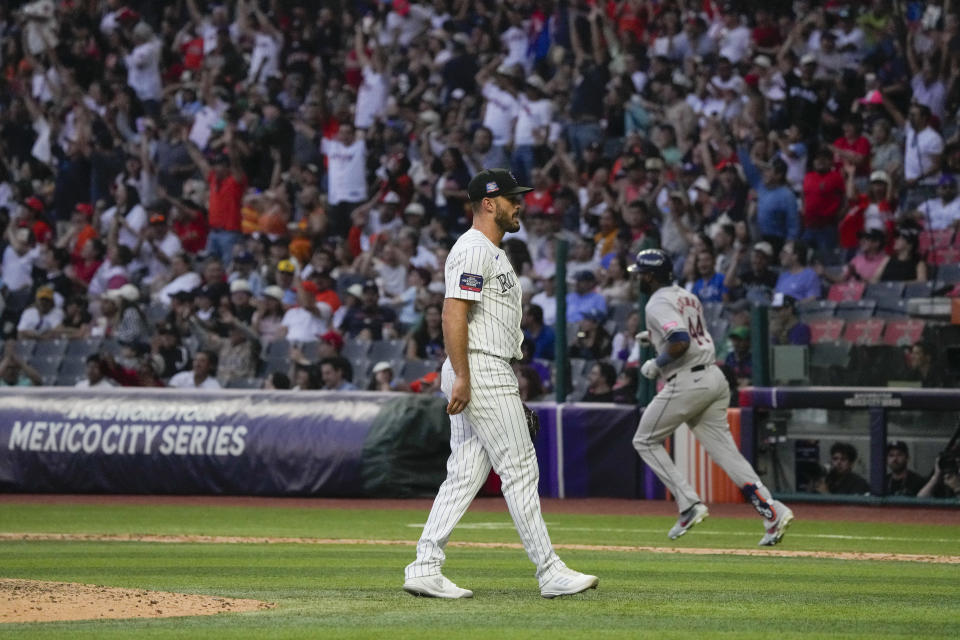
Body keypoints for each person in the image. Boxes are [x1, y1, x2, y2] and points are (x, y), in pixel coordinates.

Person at [404, 168, 598, 600]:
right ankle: (549, 570)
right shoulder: (473, 248)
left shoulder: (491, 251)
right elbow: (452, 314)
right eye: (512, 198)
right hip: (480, 365)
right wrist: (465, 378)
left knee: (466, 472)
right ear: (489, 203)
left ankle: (424, 565)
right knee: (520, 467)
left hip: (481, 366)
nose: (520, 205)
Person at [628, 248, 794, 546]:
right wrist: (653, 337)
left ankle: (689, 503)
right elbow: (683, 331)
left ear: (651, 275)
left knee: (644, 439)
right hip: (714, 377)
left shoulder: (656, 302)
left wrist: (657, 362)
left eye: (640, 274)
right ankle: (772, 511)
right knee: (727, 453)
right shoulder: (686, 294)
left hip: (687, 380)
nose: (638, 279)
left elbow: (679, 339)